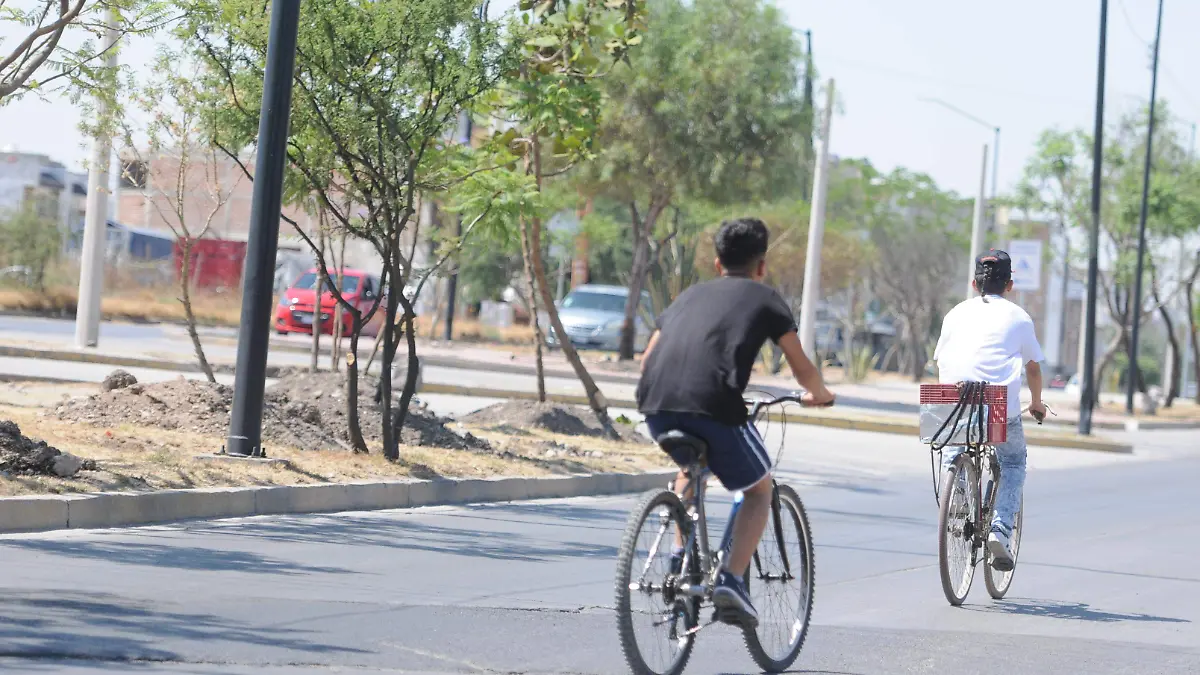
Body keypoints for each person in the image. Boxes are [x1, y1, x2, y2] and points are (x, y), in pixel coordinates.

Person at [636, 217, 836, 627]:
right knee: (759, 489)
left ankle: (680, 561)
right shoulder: (766, 300)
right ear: (761, 265)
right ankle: (731, 580)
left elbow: (647, 358)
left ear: (716, 263)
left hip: (656, 405)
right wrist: (820, 394)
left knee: (689, 469)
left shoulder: (688, 296)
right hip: (714, 407)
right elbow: (799, 365)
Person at [933, 249, 1047, 570]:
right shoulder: (1019, 317)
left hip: (948, 398)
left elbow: (942, 359)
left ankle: (955, 496)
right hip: (995, 403)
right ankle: (1000, 529)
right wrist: (1036, 403)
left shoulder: (954, 313)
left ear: (973, 284)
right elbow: (1034, 370)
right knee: (1012, 463)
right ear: (1009, 286)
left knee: (952, 446)